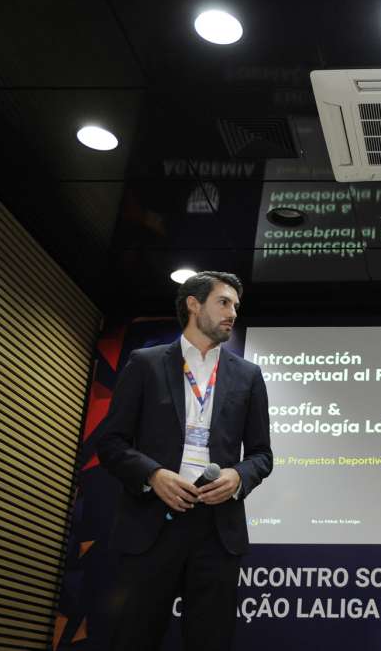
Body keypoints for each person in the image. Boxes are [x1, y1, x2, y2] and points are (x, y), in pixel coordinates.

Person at [98, 271, 272, 650]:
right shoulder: (145, 363)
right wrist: (153, 474)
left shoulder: (248, 376)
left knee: (211, 640)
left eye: (236, 307)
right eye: (223, 303)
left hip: (217, 528)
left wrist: (238, 475)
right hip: (151, 522)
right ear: (193, 304)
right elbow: (110, 442)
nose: (232, 313)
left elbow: (262, 454)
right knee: (133, 636)